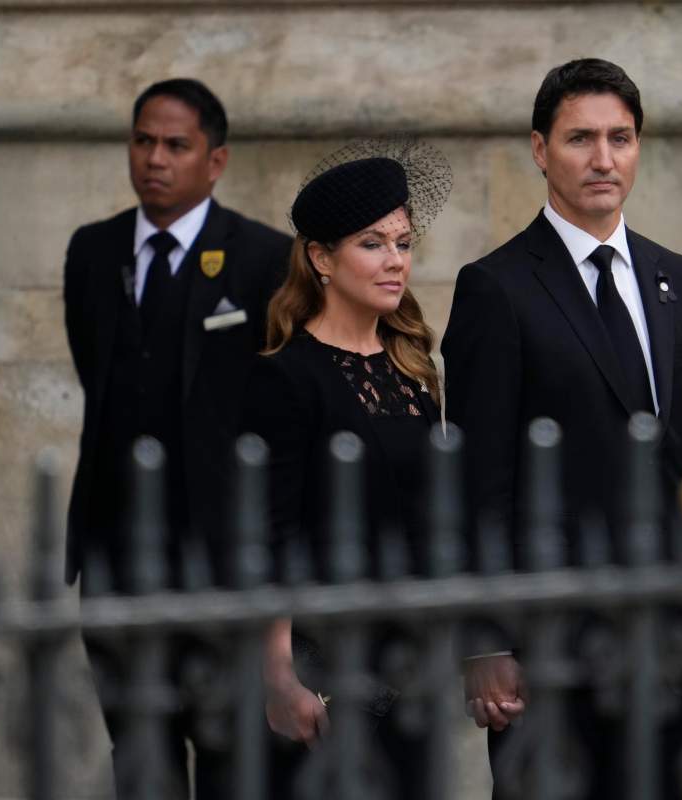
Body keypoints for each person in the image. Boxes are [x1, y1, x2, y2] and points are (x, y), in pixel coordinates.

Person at [441, 58, 682, 799]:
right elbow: (477, 478)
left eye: (620, 138)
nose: (603, 159)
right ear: (540, 150)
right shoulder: (495, 288)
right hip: (549, 646)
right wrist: (487, 640)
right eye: (580, 139)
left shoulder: (680, 279)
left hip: (667, 635)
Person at [62, 77, 291, 798]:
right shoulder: (93, 253)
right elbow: (95, 370)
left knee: (233, 762)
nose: (154, 159)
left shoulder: (262, 257)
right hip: (115, 555)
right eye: (142, 141)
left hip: (221, 562)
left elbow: (273, 405)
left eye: (175, 145)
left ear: (215, 161)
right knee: (142, 763)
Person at [240, 139, 452, 798]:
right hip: (324, 673)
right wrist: (279, 674)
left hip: (410, 672)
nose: (396, 261)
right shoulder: (285, 376)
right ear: (321, 258)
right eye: (373, 244)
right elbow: (266, 534)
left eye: (404, 242)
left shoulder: (413, 373)